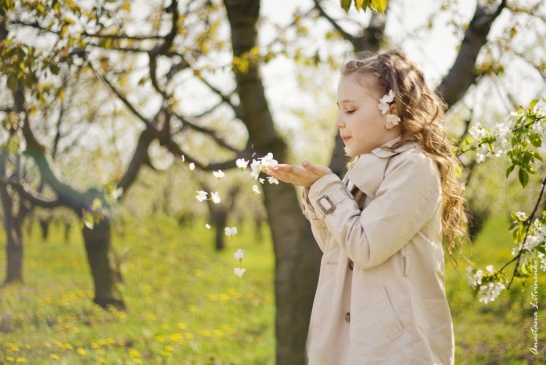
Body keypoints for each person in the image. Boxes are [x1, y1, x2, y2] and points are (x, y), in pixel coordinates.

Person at [265, 49, 467, 365]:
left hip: (398, 350)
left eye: (350, 109)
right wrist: (315, 192)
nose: (339, 121)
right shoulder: (363, 170)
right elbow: (337, 249)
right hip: (355, 344)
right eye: (339, 110)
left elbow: (366, 247)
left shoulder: (414, 169)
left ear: (392, 110)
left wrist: (328, 188)